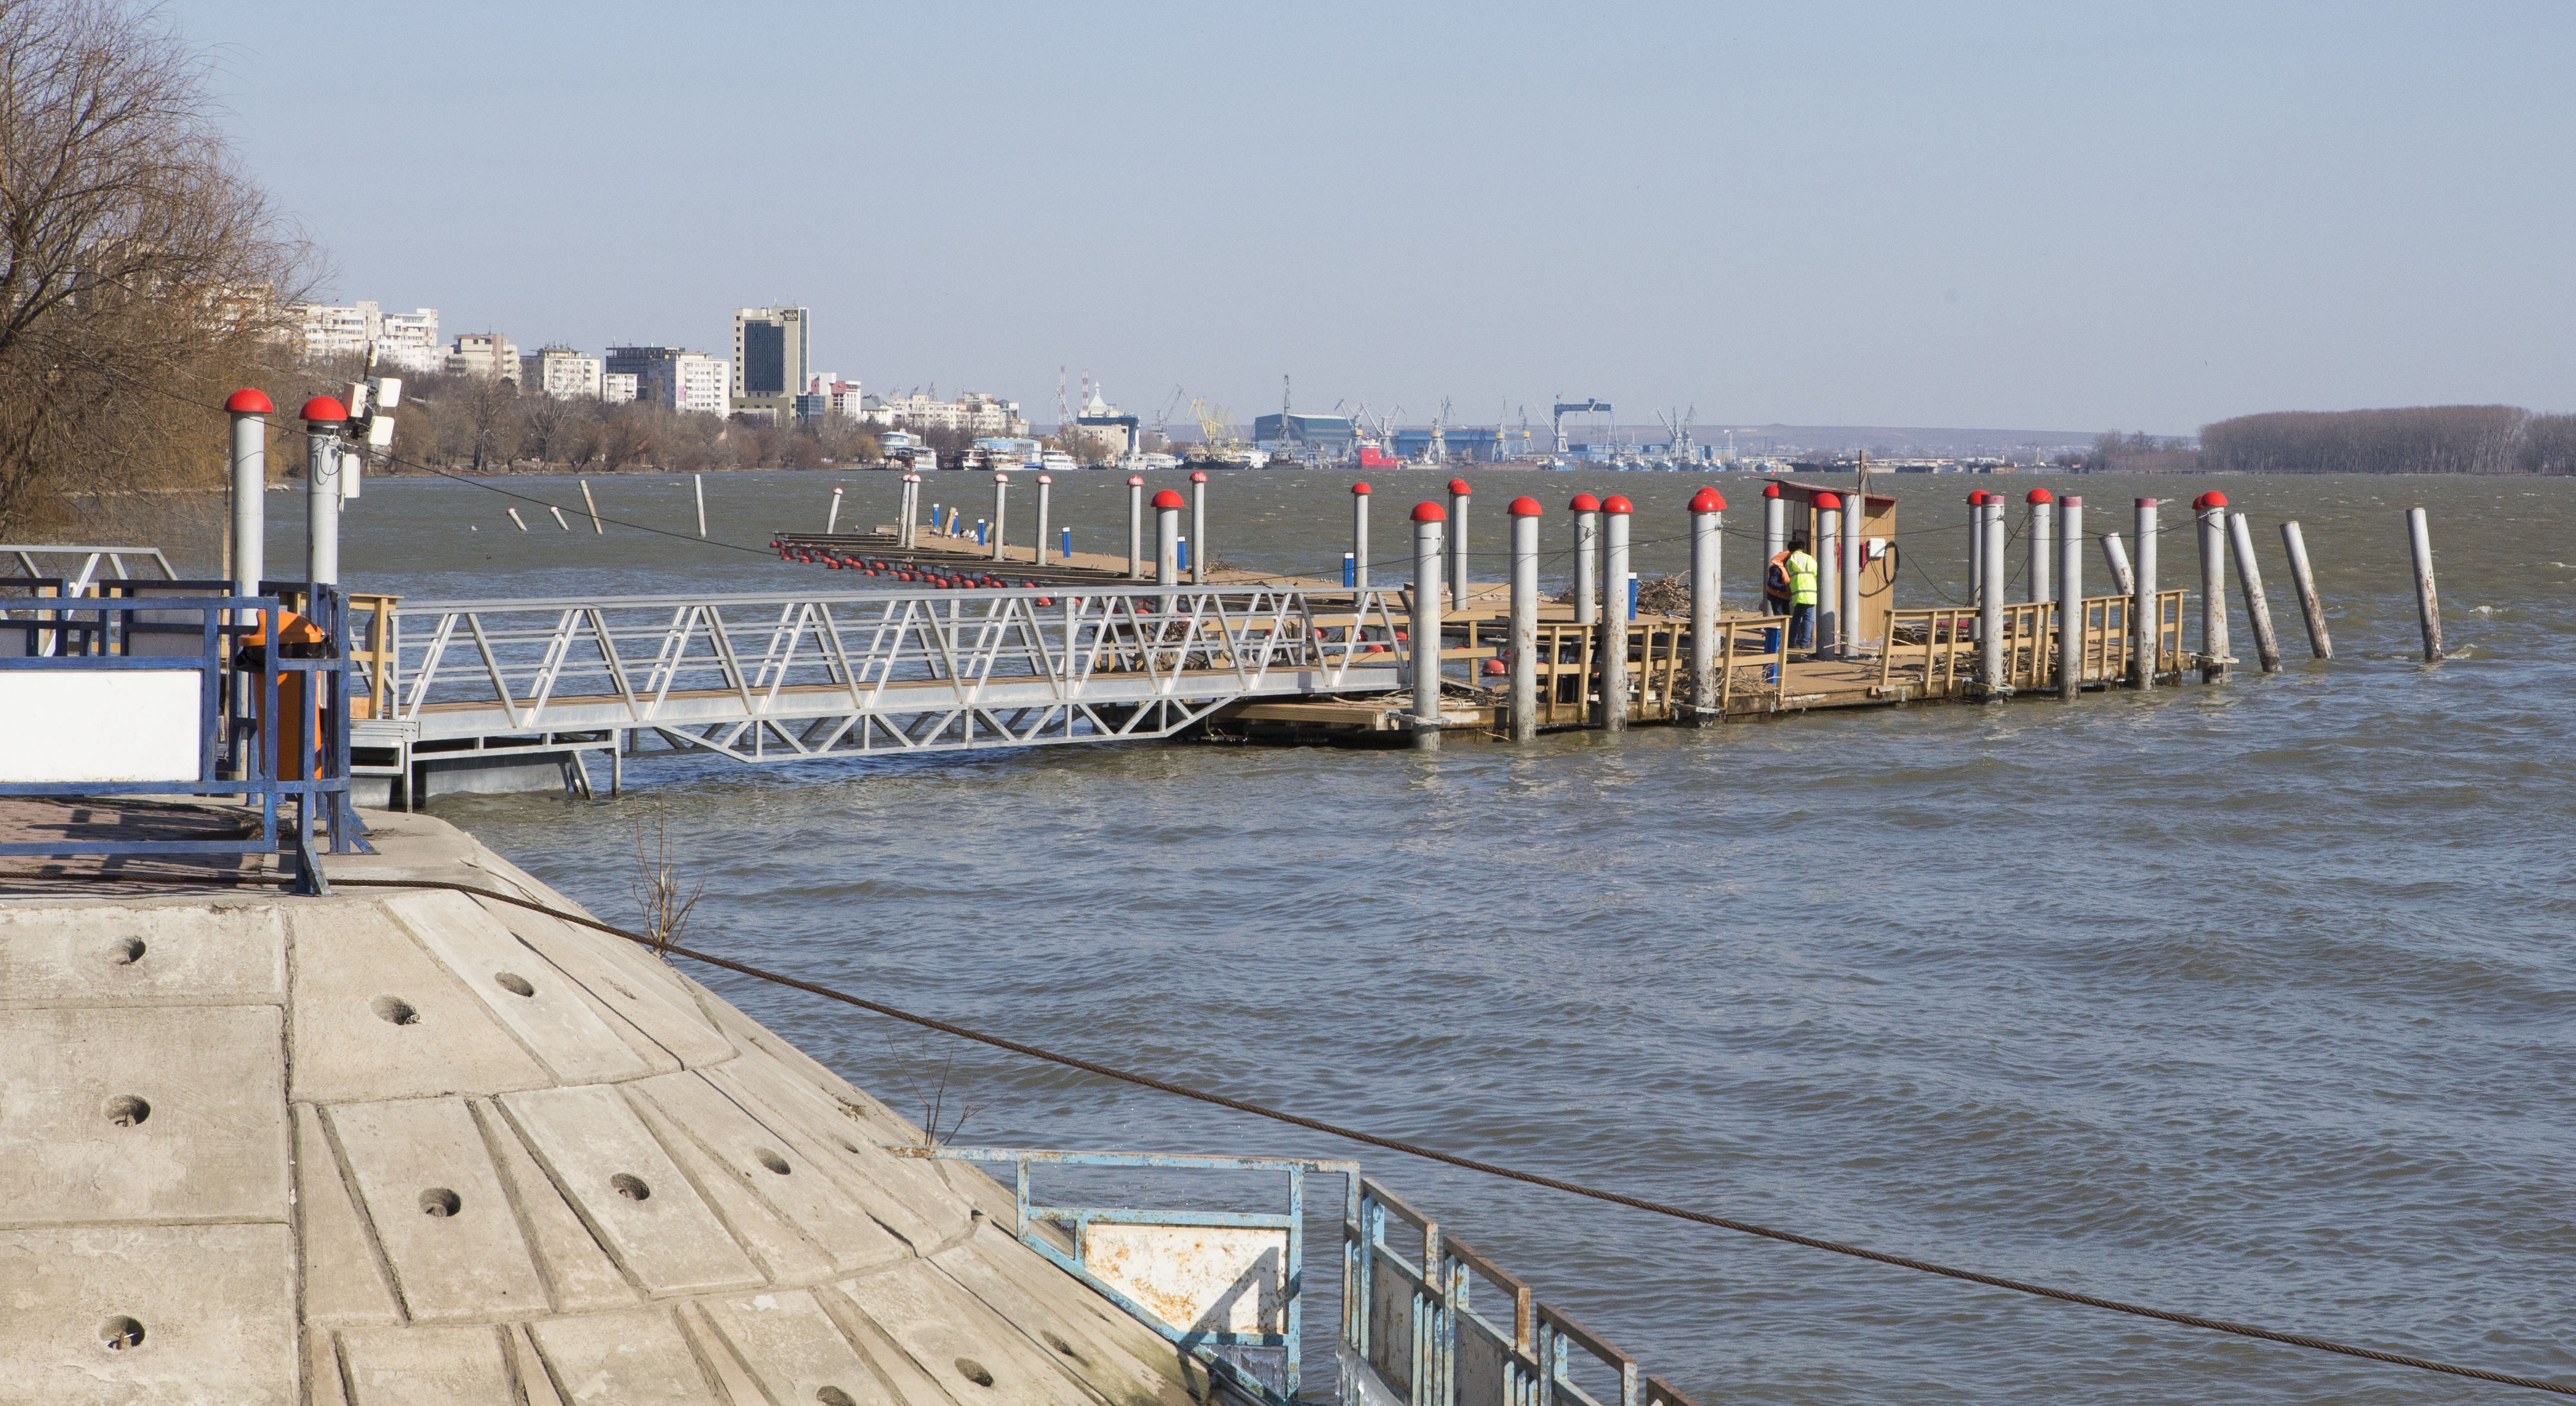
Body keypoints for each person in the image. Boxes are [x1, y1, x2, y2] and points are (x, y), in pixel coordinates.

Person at [1784, 534, 1819, 649]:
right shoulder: (1809, 559)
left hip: (1797, 595)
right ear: (1802, 548)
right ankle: (1805, 643)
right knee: (1809, 619)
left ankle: (1792, 642)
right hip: (1809, 594)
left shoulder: (1789, 562)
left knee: (1796, 619)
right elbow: (1817, 572)